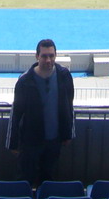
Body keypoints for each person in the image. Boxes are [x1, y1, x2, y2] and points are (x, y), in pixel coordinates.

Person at [6, 38, 75, 187]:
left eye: (51, 56)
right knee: (24, 179)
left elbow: (69, 106)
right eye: (44, 56)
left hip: (54, 141)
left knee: (49, 180)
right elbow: (16, 113)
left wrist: (68, 134)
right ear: (37, 56)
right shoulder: (25, 81)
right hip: (30, 142)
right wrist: (13, 143)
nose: (48, 60)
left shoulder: (64, 76)